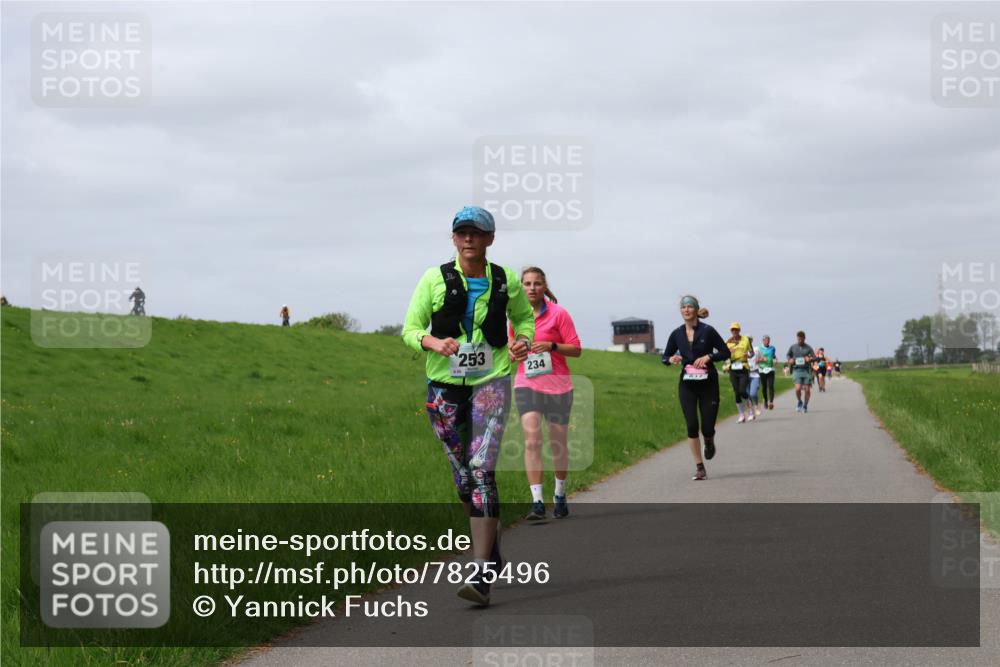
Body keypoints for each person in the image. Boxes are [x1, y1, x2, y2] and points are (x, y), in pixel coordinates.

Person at [402, 206, 534, 606]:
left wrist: (521, 340)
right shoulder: (433, 278)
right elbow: (410, 329)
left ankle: (480, 573)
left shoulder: (505, 279)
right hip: (443, 388)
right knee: (463, 479)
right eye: (462, 233)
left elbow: (524, 319)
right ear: (454, 238)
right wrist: (433, 342)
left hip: (491, 382)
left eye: (477, 233)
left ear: (490, 239)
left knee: (481, 469)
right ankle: (491, 549)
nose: (469, 239)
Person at [509, 267, 581, 521]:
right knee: (532, 439)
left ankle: (560, 493)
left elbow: (576, 349)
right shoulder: (515, 316)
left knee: (558, 443)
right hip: (526, 383)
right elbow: (510, 347)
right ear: (521, 287)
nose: (531, 288)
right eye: (527, 283)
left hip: (558, 386)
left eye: (537, 283)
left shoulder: (559, 314)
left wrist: (551, 346)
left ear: (544, 286)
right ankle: (537, 502)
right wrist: (513, 351)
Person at [662, 296, 731, 481]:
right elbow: (665, 355)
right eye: (683, 307)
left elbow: (725, 352)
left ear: (696, 309)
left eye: (689, 307)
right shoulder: (676, 334)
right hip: (687, 384)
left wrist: (709, 356)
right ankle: (700, 467)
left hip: (708, 384)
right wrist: (670, 359)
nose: (686, 310)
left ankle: (709, 441)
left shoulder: (708, 331)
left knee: (707, 428)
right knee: (692, 425)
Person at [726, 322, 755, 422]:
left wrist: (748, 356)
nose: (734, 331)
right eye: (732, 329)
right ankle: (741, 415)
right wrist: (728, 353)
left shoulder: (745, 340)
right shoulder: (728, 342)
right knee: (736, 393)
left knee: (742, 390)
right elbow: (723, 356)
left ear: (739, 330)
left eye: (736, 329)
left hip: (743, 367)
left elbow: (752, 353)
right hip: (733, 368)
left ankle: (751, 411)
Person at [786, 331, 816, 413]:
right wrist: (790, 360)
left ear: (804, 338)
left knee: (807, 390)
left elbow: (814, 357)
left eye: (801, 339)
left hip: (806, 370)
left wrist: (809, 359)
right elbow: (788, 355)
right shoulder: (793, 347)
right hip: (797, 369)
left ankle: (805, 405)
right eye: (798, 339)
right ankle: (799, 401)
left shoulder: (808, 347)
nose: (799, 340)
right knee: (798, 388)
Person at [757, 335, 778, 409]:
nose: (767, 342)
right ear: (763, 341)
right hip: (762, 370)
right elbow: (756, 360)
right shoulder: (759, 349)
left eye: (768, 340)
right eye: (766, 340)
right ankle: (765, 400)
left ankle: (771, 402)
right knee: (764, 387)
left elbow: (773, 356)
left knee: (771, 386)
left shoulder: (772, 348)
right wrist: (761, 360)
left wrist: (775, 360)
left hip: (770, 369)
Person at [746, 336, 762, 417]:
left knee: (753, 393)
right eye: (746, 340)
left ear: (752, 341)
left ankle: (756, 405)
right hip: (745, 374)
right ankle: (751, 413)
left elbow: (762, 358)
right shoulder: (742, 350)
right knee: (746, 394)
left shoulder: (756, 349)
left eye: (749, 340)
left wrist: (759, 360)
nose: (748, 341)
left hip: (755, 374)